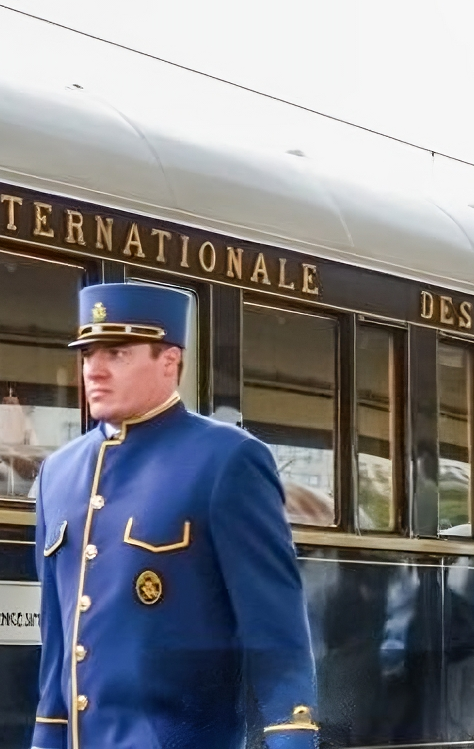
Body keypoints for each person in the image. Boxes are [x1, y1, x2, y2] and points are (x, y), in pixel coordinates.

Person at [33, 282, 318, 749]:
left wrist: (290, 736)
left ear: (169, 361)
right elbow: (58, 645)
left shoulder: (227, 460)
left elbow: (274, 626)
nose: (94, 371)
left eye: (117, 353)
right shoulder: (57, 473)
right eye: (87, 355)